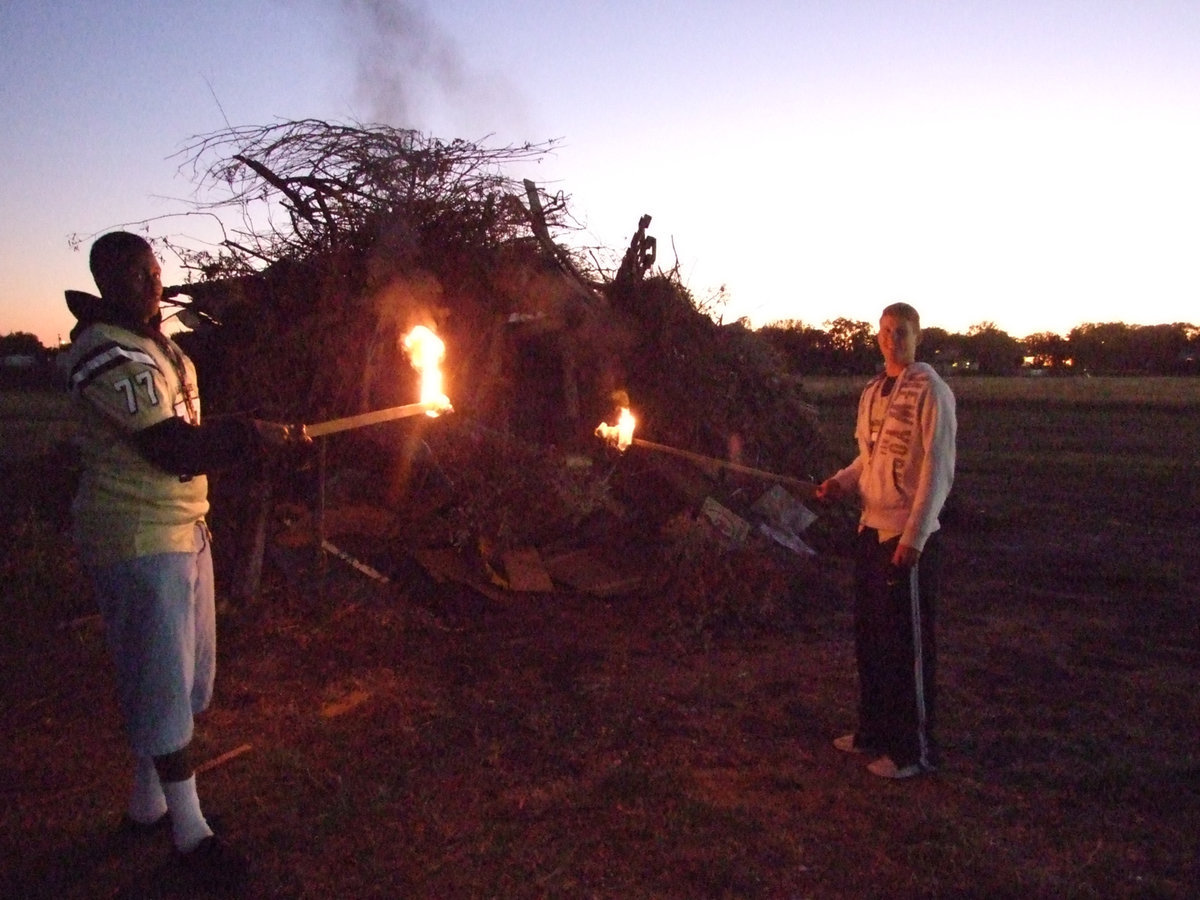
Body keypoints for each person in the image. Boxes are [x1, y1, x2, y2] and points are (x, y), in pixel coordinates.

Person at [61, 232, 297, 889]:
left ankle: (148, 805)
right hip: (137, 535)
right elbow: (169, 447)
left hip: (184, 529)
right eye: (135, 273)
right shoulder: (103, 351)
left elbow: (192, 432)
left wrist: (258, 433)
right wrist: (248, 437)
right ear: (106, 281)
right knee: (162, 681)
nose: (152, 282)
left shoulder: (158, 345)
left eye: (154, 270)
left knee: (183, 681)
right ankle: (191, 837)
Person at [816, 302, 956, 779]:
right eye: (885, 331)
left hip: (904, 537)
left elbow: (937, 468)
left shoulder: (931, 391)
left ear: (917, 337)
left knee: (905, 646)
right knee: (872, 640)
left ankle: (913, 750)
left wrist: (914, 537)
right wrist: (841, 483)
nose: (891, 339)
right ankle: (873, 732)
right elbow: (868, 459)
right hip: (870, 530)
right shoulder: (873, 391)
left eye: (901, 332)